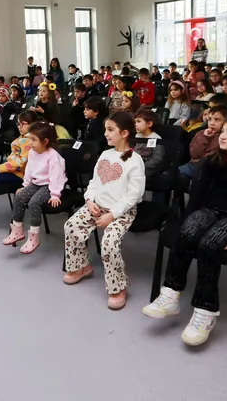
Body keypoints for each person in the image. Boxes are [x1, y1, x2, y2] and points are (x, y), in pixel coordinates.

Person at [143, 115, 227, 346]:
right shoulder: (213, 161)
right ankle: (170, 294)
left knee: (209, 244)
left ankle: (205, 311)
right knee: (186, 234)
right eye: (223, 131)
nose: (223, 136)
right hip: (210, 210)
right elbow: (197, 196)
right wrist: (187, 221)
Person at [62, 111, 145, 310]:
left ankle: (118, 287)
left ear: (124, 133)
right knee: (71, 226)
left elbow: (134, 195)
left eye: (110, 130)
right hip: (97, 206)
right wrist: (89, 199)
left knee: (109, 243)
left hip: (121, 211)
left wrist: (112, 215)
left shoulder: (135, 160)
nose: (106, 133)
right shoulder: (105, 154)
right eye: (105, 129)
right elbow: (94, 182)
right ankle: (81, 266)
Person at [1, 122, 66, 254]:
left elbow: (57, 178)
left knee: (34, 203)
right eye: (29, 138)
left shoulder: (53, 157)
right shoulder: (32, 152)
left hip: (49, 186)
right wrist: (25, 186)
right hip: (36, 184)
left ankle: (34, 237)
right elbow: (29, 171)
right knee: (19, 196)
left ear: (45, 141)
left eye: (33, 139)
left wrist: (55, 195)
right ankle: (17, 231)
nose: (29, 142)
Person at [178, 106, 227, 177]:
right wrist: (204, 137)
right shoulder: (201, 133)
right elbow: (194, 154)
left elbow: (212, 159)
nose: (212, 123)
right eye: (209, 119)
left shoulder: (226, 138)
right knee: (172, 173)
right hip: (193, 165)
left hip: (209, 169)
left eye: (217, 120)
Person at [134, 110, 166, 177]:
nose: (135, 124)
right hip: (136, 165)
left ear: (149, 124)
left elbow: (157, 159)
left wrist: (141, 166)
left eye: (138, 121)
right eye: (135, 122)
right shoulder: (137, 136)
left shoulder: (156, 139)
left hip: (148, 168)